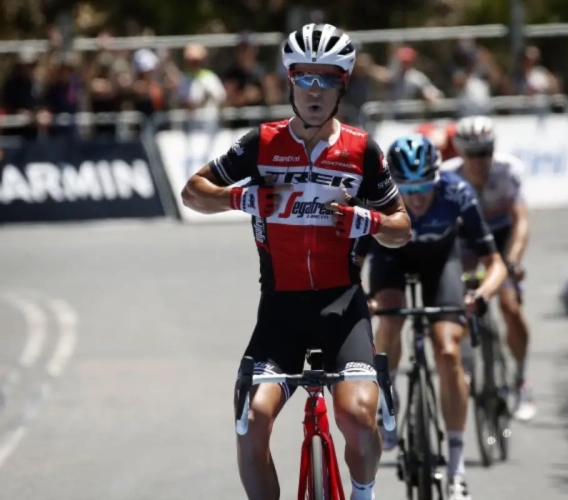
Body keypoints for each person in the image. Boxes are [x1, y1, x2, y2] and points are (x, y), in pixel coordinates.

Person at [180, 23, 412, 500]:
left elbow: (401, 228)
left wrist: (364, 221)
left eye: (326, 79)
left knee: (357, 417)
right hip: (280, 311)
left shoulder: (362, 150)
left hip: (342, 309)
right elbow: (193, 193)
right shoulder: (260, 145)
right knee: (251, 421)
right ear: (289, 81)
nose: (313, 90)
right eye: (304, 77)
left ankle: (363, 493)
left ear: (341, 86)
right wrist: (242, 200)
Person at [361, 134, 508, 500]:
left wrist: (481, 294)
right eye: (407, 188)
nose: (417, 197)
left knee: (447, 350)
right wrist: (359, 299)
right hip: (390, 260)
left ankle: (456, 468)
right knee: (390, 320)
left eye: (425, 186)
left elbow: (496, 265)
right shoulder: (374, 197)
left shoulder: (457, 193)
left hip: (441, 263)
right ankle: (388, 402)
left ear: (437, 178)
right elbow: (355, 263)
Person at [441, 115, 537, 422]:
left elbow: (521, 220)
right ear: (460, 153)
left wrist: (515, 260)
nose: (480, 160)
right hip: (467, 243)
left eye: (485, 152)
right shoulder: (447, 176)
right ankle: (468, 362)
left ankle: (521, 380)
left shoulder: (507, 171)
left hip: (500, 240)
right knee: (463, 300)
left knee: (510, 306)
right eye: (473, 154)